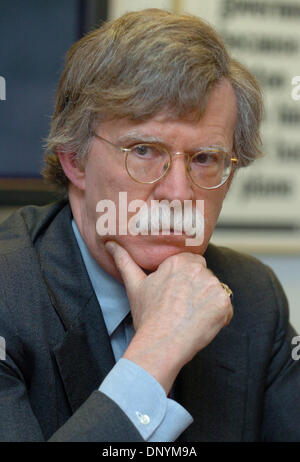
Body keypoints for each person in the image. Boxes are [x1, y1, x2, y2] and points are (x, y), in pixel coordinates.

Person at [0, 8, 299, 442]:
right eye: (144, 151)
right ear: (75, 159)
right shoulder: (9, 295)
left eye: (204, 159)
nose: (178, 194)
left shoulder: (252, 298)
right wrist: (156, 353)